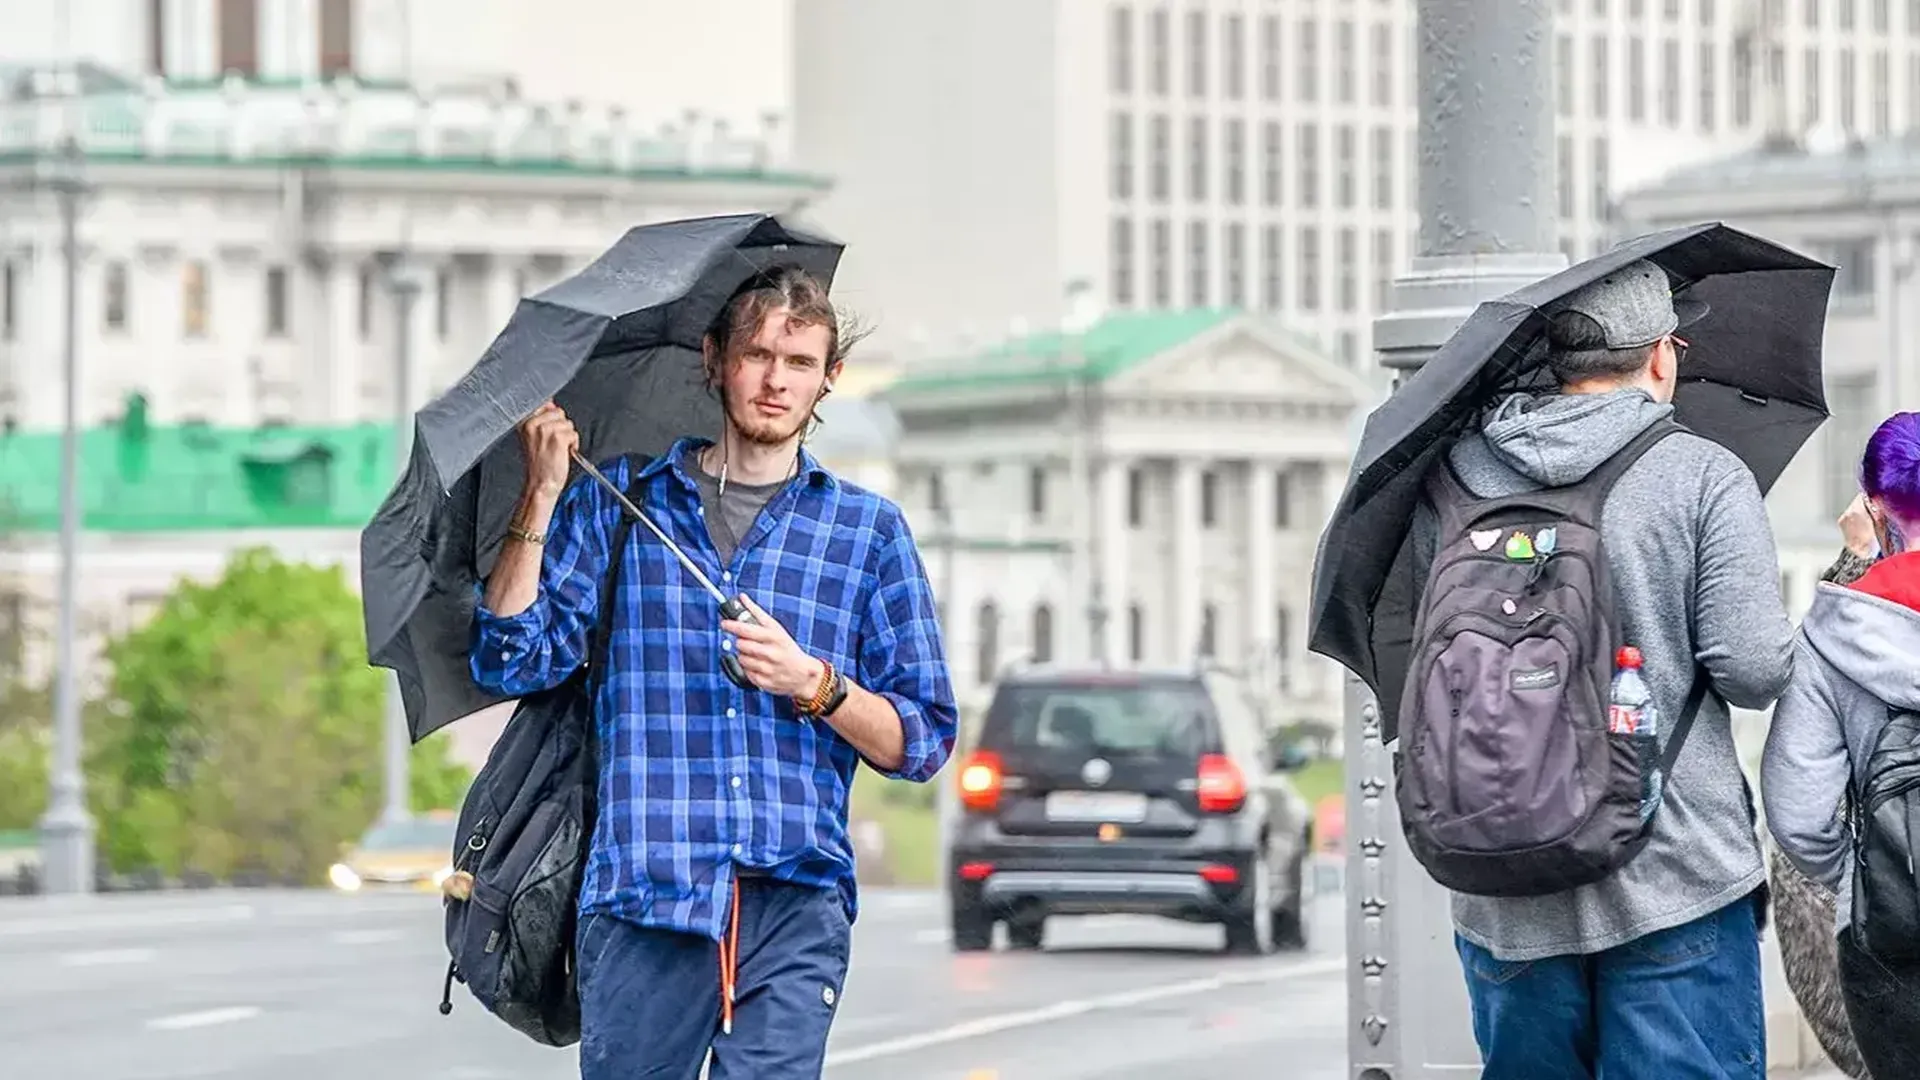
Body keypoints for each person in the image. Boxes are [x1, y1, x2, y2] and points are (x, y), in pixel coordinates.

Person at [469, 265, 959, 1080]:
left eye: (799, 363)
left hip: (793, 902)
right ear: (714, 359)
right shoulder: (621, 505)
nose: (775, 381)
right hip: (645, 896)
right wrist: (541, 497)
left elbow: (923, 741)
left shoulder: (867, 534)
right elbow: (510, 656)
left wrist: (816, 684)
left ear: (828, 379)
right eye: (758, 354)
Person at [1411, 260, 1796, 1079]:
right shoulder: (1699, 474)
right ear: (1663, 354)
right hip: (1673, 874)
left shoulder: (1450, 479)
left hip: (1502, 884)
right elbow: (1754, 669)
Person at [1765, 413, 1920, 1080]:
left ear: (1876, 508)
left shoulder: (1834, 641)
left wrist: (1869, 884)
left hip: (1892, 936)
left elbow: (1799, 817)